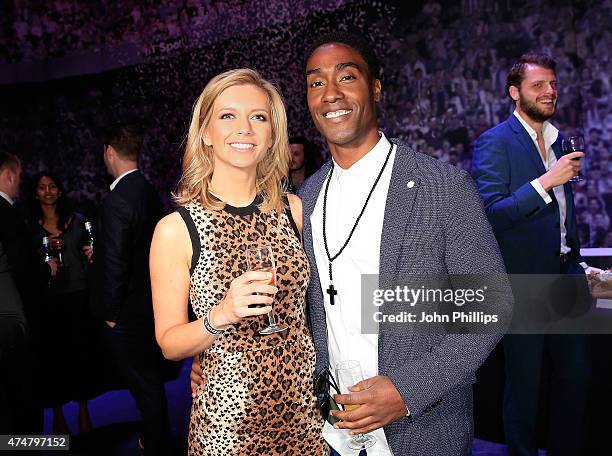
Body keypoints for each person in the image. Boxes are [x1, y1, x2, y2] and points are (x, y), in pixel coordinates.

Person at [193, 33, 512, 455]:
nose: (331, 94)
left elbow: (493, 305)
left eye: (346, 76)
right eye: (316, 83)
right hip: (326, 433)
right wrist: (219, 348)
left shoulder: (444, 186)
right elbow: (292, 308)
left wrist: (406, 390)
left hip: (421, 431)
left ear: (375, 87)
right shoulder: (301, 201)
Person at [151, 68, 325, 455]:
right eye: (228, 116)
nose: (244, 128)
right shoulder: (176, 230)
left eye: (258, 117)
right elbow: (169, 344)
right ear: (206, 133)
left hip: (304, 420)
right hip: (229, 427)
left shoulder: (294, 211)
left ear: (271, 136)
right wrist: (222, 314)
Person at [472, 53, 592, 456]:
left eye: (553, 84)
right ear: (514, 92)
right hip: (523, 282)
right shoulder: (495, 142)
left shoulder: (560, 139)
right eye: (539, 84)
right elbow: (491, 213)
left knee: (576, 380)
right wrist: (546, 181)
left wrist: (575, 261)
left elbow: (560, 217)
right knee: (524, 385)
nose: (549, 91)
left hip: (566, 278)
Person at [91, 124, 175, 455]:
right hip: (148, 303)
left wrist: (110, 314)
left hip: (126, 310)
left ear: (110, 152)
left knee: (143, 381)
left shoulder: (116, 201)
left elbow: (114, 263)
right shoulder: (148, 191)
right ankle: (158, 436)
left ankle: (156, 442)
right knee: (149, 377)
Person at [28, 173, 99, 435]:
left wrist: (95, 251)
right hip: (48, 302)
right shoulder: (30, 228)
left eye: (52, 186)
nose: (48, 191)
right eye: (42, 188)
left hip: (78, 296)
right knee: (54, 359)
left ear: (60, 191)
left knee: (81, 356)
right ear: (35, 193)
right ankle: (58, 417)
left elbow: (92, 252)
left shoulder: (77, 221)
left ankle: (83, 413)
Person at [0, 152, 54, 433]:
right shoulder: (7, 214)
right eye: (19, 176)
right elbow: (22, 269)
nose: (19, 182)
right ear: (9, 175)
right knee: (23, 402)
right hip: (12, 323)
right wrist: (48, 270)